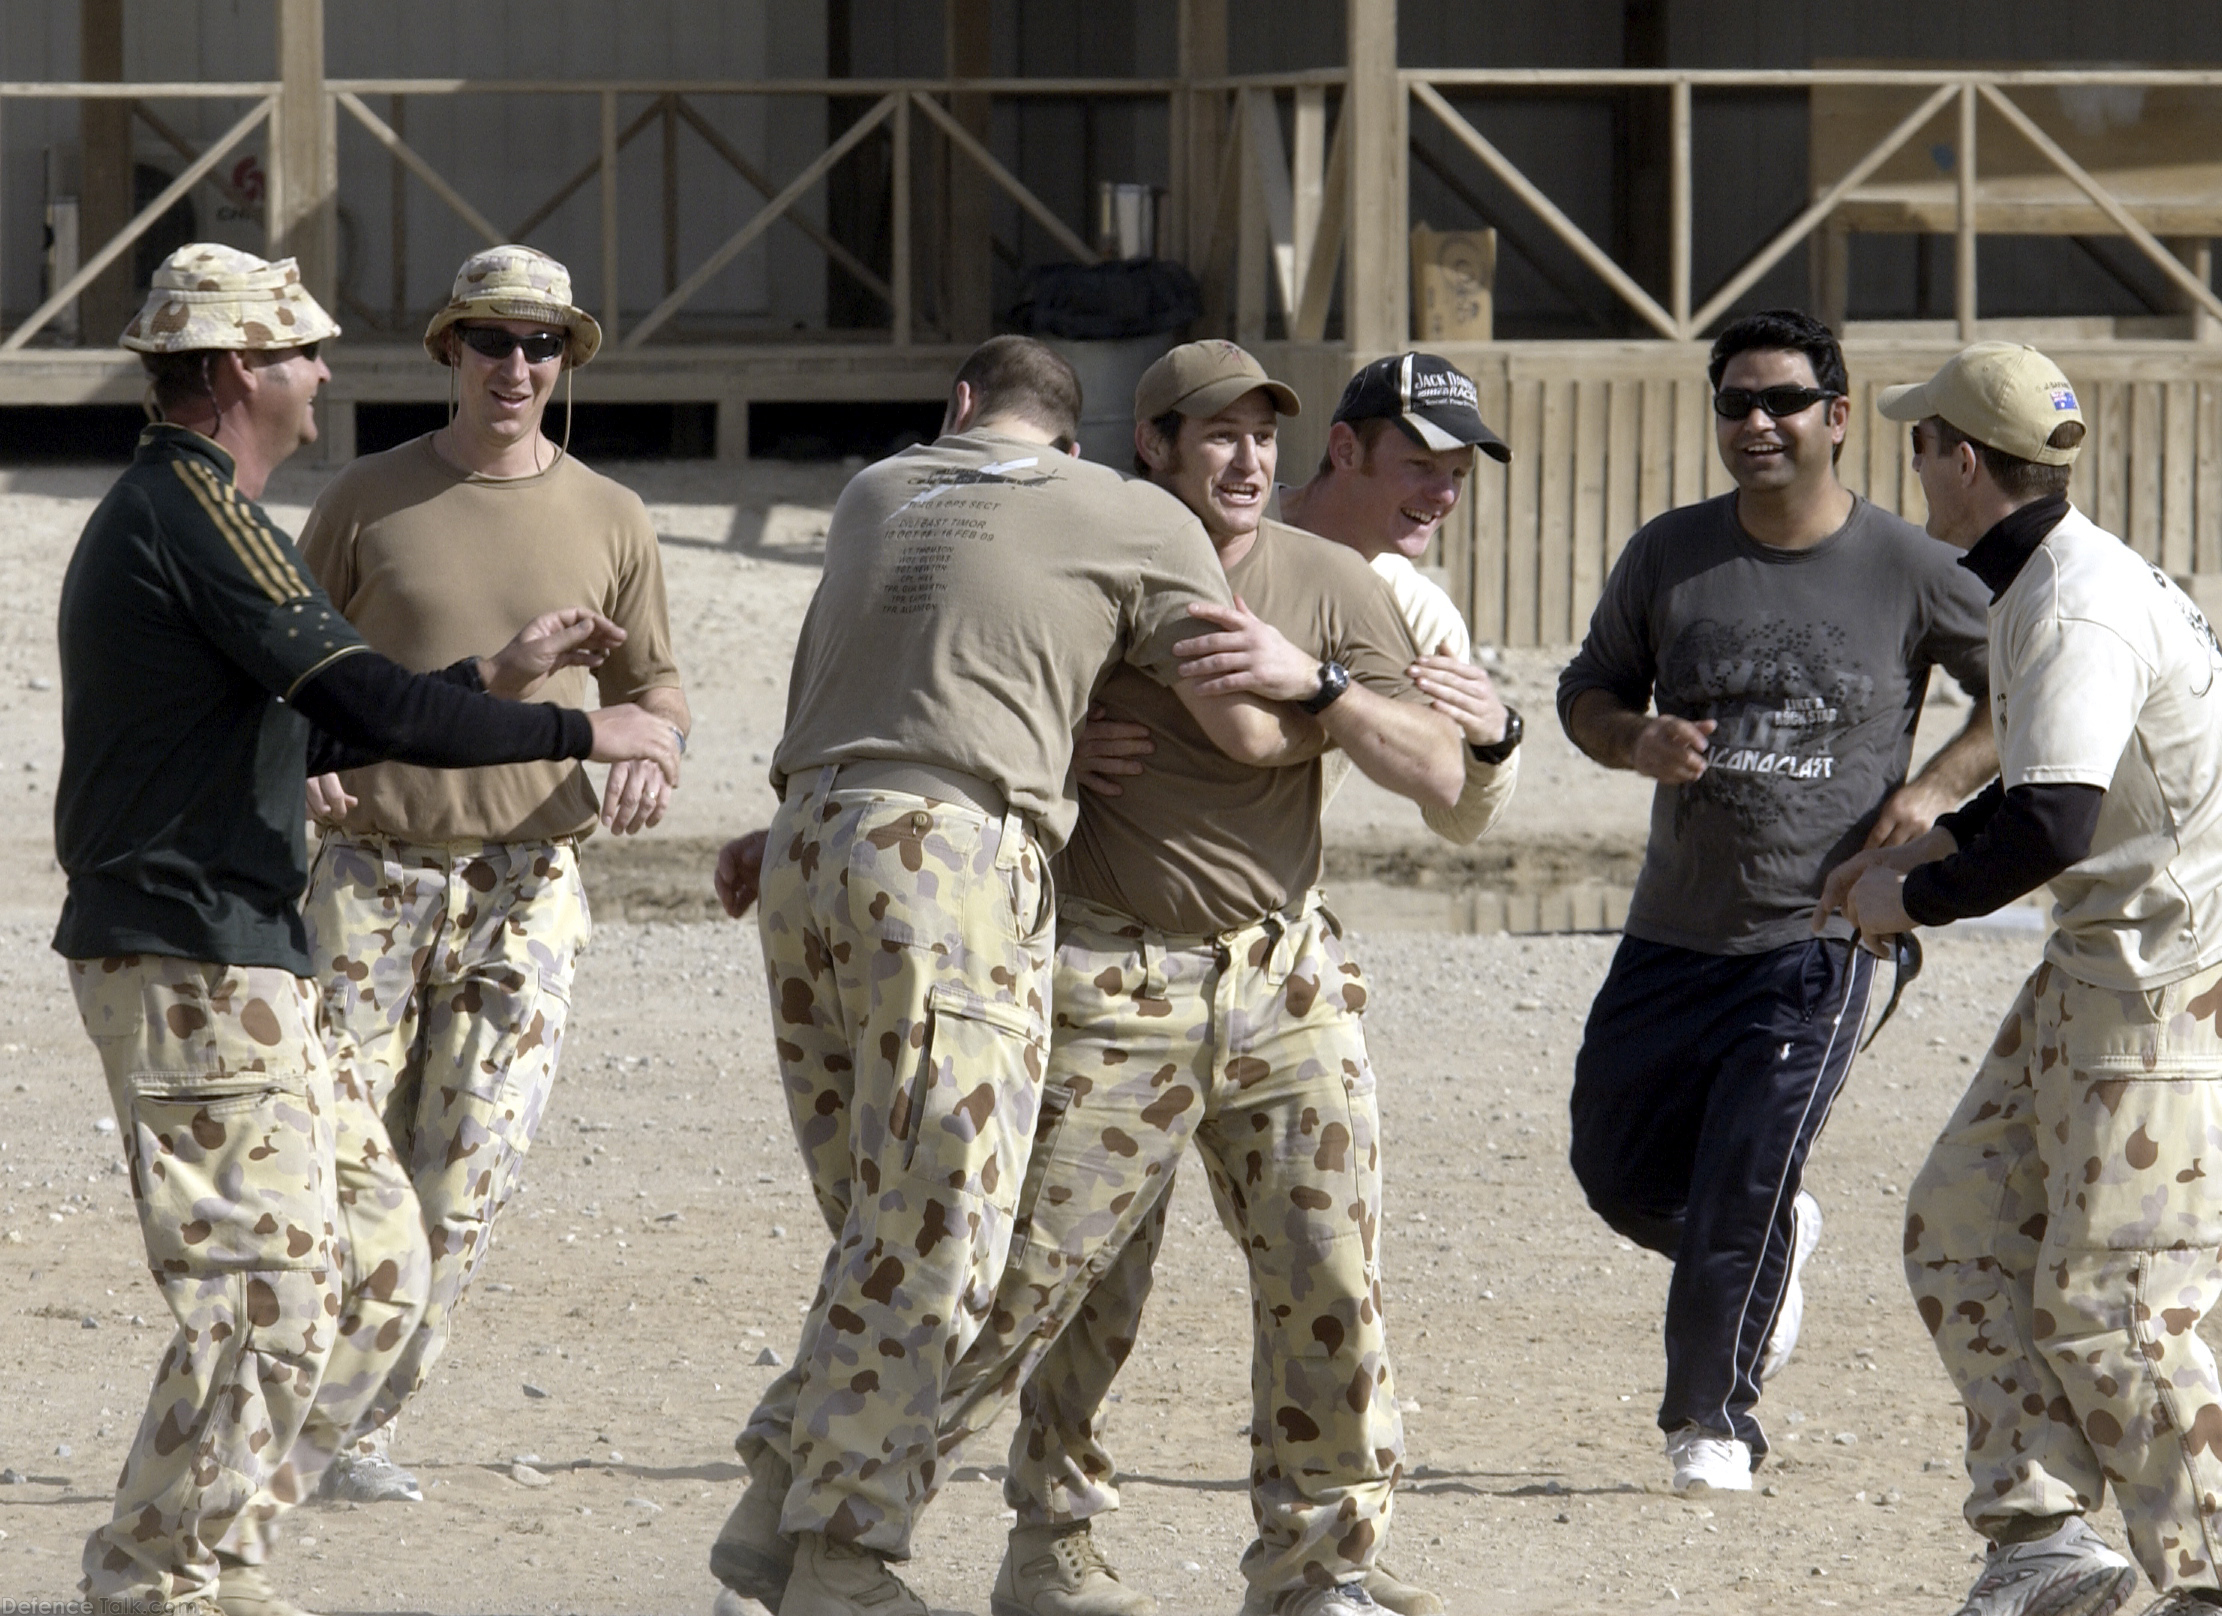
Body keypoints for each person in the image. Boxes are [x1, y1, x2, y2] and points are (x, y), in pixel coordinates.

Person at [55, 244, 678, 1616]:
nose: (325, 375)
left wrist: (490, 678)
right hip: (190, 947)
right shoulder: (193, 510)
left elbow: (317, 714)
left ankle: (204, 1549)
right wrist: (579, 720)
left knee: (382, 1266)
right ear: (235, 373)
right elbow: (374, 708)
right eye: (300, 355)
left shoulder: (210, 511)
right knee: (265, 1281)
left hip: (250, 949)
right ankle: (165, 1581)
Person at [706, 335, 1308, 1616]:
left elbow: (891, 662)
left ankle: (775, 1494)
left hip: (808, 842)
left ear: (960, 407)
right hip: (951, 861)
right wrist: (1337, 691)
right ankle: (840, 1558)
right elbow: (1244, 728)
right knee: (945, 1224)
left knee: (888, 1208)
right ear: (1085, 442)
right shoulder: (1133, 514)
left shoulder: (878, 489)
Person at [901, 339, 1468, 1616]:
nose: (1247, 456)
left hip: (1285, 971)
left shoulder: (1328, 579)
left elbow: (1436, 767)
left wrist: (1309, 684)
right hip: (1111, 968)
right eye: (1213, 433)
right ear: (1148, 446)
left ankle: (1318, 1568)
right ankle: (1023, 1541)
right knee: (1055, 1283)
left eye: (1263, 433)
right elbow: (954, 704)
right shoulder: (1073, 551)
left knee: (1326, 1271)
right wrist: (1059, 745)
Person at [1556, 307, 1996, 1494]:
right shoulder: (1670, 553)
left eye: (1781, 401)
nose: (1755, 422)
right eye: (1734, 402)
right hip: (1670, 925)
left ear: (1836, 418)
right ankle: (1773, 1244)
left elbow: (2015, 690)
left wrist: (1933, 788)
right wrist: (1632, 736)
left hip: (1821, 931)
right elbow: (1586, 690)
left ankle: (1713, 1419)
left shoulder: (1907, 565)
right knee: (1612, 1164)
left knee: (1743, 1172)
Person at [1822, 342, 2222, 1616]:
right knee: (1961, 1223)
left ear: (1957, 457)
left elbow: (2051, 826)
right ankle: (2042, 1536)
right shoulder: (2043, 576)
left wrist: (1911, 893)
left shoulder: (2072, 599)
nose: (1910, 466)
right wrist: (1931, 837)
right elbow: (2057, 778)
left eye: (1918, 444)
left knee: (2114, 1300)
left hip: (2159, 983)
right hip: (2096, 962)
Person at [292, 244, 690, 1503]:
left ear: (564, 360)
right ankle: (297, 1394)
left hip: (529, 880)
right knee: (337, 1149)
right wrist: (297, 762)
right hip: (373, 868)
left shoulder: (612, 516)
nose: (515, 366)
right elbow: (288, 671)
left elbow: (651, 686)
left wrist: (661, 746)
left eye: (540, 345)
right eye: (491, 340)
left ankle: (359, 1423)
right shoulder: (366, 498)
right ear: (450, 350)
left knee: (466, 1168)